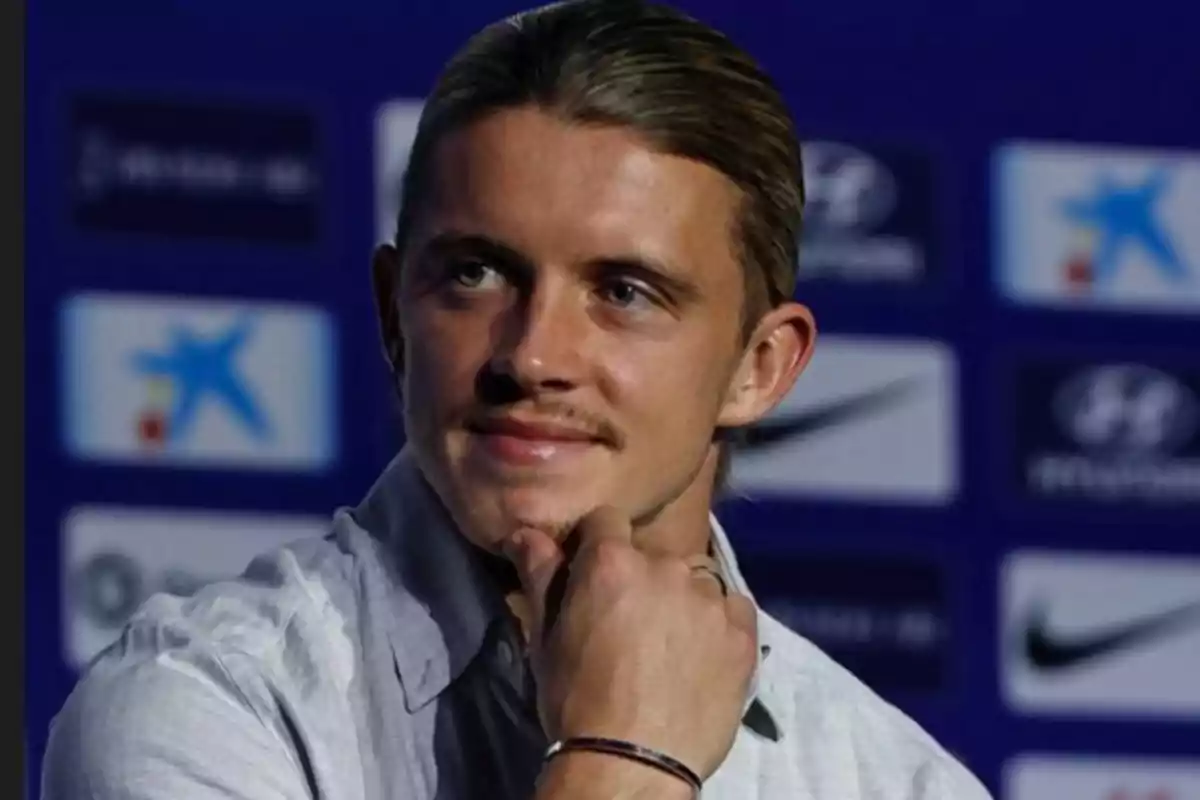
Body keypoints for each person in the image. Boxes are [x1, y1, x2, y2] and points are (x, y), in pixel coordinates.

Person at [42, 1, 993, 798]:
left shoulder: (895, 780)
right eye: (476, 275)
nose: (533, 355)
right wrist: (623, 765)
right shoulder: (203, 706)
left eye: (624, 292)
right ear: (392, 314)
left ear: (760, 365)